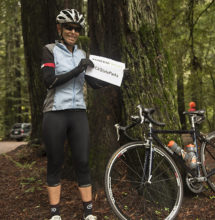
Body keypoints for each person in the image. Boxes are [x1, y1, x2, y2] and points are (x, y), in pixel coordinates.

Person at [41, 9, 108, 220]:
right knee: (55, 161)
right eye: (68, 27)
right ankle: (55, 214)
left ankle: (88, 213)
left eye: (76, 29)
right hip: (55, 113)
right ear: (60, 28)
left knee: (82, 161)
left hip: (78, 112)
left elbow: (94, 84)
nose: (72, 31)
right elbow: (49, 80)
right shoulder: (50, 50)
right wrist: (78, 69)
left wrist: (116, 77)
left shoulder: (81, 55)